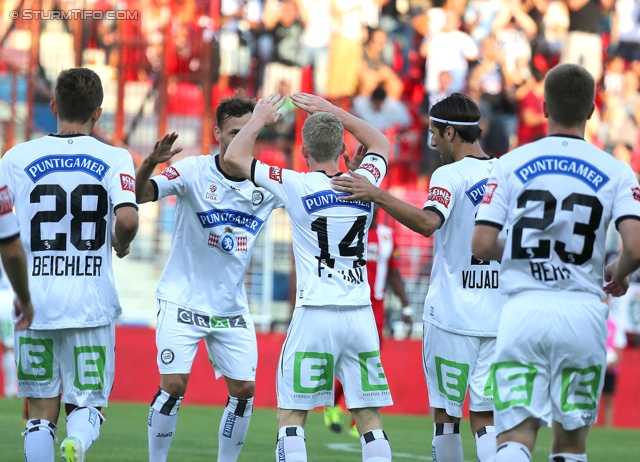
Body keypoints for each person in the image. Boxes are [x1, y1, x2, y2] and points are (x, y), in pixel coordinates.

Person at [471, 63, 640, 462]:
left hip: (522, 312)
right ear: (592, 111)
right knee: (569, 446)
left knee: (514, 437)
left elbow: (481, 243)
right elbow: (635, 243)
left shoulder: (508, 164)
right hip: (582, 314)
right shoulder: (617, 170)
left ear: (544, 108)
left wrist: (523, 251)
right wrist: (621, 269)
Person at [333, 92, 506, 462]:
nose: (430, 141)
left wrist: (377, 194)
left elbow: (429, 223)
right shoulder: (504, 173)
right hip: (497, 317)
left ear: (450, 133)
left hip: (452, 316)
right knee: (487, 418)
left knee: (446, 419)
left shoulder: (448, 174)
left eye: (432, 133)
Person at [225, 92, 393, 462]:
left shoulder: (296, 184)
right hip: (360, 314)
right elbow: (381, 142)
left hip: (314, 313)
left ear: (304, 152)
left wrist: (258, 119)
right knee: (368, 418)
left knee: (291, 418)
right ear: (344, 149)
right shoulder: (363, 180)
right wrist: (333, 110)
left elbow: (234, 157)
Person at [0, 67, 139, 462]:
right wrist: (120, 243)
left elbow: (5, 231)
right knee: (88, 406)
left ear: (53, 105)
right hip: (89, 305)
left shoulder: (15, 158)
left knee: (39, 414)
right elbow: (127, 219)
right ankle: (76, 441)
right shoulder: (114, 157)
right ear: (98, 113)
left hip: (34, 303)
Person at [135, 93, 283, 462]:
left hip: (230, 307)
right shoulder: (193, 171)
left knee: (246, 389)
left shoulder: (268, 183)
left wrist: (350, 174)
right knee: (173, 385)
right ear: (217, 132)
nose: (241, 139)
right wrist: (149, 164)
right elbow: (139, 195)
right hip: (182, 297)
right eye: (234, 132)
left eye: (249, 131)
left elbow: (315, 193)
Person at [324, 203, 413, 437]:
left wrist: (406, 308)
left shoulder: (386, 237)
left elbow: (394, 273)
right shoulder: (348, 231)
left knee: (370, 363)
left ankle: (355, 420)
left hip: (376, 309)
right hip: (349, 303)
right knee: (347, 360)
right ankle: (332, 402)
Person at [0, 184, 34, 399]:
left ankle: (10, 388)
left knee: (9, 346)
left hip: (4, 295)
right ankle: (13, 389)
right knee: (14, 347)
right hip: (11, 296)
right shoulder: (18, 236)